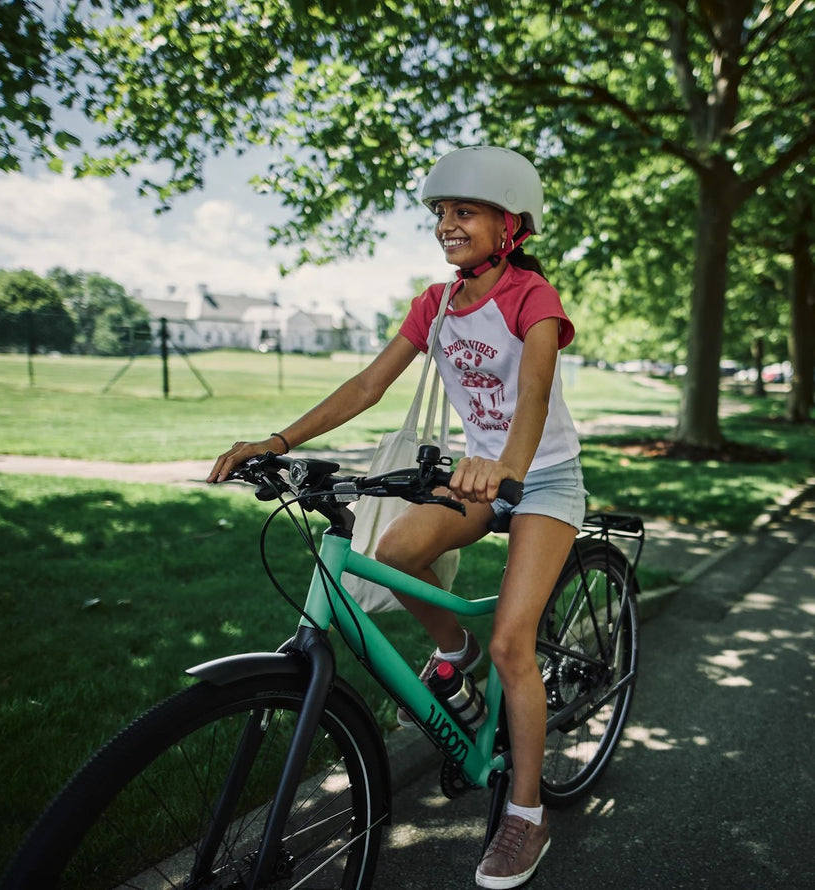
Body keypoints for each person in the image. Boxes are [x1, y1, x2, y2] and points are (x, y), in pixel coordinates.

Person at [207, 145, 585, 889]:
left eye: (465, 211)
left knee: (516, 644)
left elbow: (534, 394)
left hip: (540, 478)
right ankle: (455, 658)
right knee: (395, 551)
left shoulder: (532, 299)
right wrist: (277, 441)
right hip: (478, 476)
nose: (447, 223)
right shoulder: (435, 304)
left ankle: (527, 815)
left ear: (510, 224)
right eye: (441, 213)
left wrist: (508, 465)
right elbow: (367, 385)